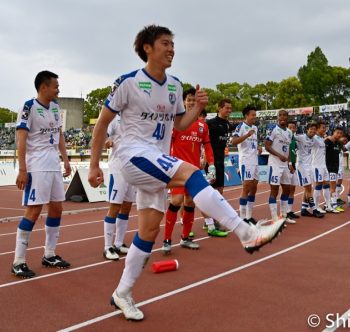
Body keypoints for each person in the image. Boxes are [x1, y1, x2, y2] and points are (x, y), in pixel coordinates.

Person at [87, 25, 286, 321]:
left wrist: (199, 108)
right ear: (147, 48)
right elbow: (102, 124)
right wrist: (93, 164)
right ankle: (247, 233)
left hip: (157, 158)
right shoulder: (128, 83)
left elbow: (180, 124)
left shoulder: (175, 86)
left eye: (173, 45)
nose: (171, 49)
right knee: (193, 175)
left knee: (148, 232)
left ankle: (122, 293)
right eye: (165, 44)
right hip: (133, 156)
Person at [12, 70, 71, 278]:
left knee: (57, 209)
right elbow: (21, 138)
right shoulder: (29, 107)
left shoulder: (55, 107)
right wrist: (22, 169)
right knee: (34, 211)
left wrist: (65, 159)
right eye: (55, 86)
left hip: (53, 165)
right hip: (36, 166)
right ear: (43, 87)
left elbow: (59, 134)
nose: (58, 89)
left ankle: (49, 254)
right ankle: (18, 261)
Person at [162, 88, 217, 254]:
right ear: (184, 102)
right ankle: (167, 240)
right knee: (176, 201)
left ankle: (185, 238)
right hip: (177, 170)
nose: (192, 102)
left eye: (194, 100)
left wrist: (211, 165)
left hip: (193, 171)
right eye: (189, 100)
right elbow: (166, 145)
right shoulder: (176, 123)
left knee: (190, 202)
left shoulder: (202, 126)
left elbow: (207, 146)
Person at [103, 113, 136, 260]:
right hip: (118, 168)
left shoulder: (135, 115)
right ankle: (107, 246)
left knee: (127, 206)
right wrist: (107, 139)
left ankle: (118, 243)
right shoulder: (113, 117)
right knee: (115, 207)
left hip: (132, 167)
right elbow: (103, 131)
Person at [204, 98, 235, 234]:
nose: (229, 110)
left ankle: (211, 219)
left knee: (220, 191)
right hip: (211, 162)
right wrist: (204, 158)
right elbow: (203, 140)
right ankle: (211, 222)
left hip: (221, 161)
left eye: (230, 108)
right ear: (219, 108)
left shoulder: (227, 124)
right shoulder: (210, 123)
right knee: (211, 193)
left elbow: (236, 130)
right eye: (226, 108)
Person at [231, 105, 261, 224]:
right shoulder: (241, 127)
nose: (254, 117)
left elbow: (253, 142)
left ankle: (249, 216)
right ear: (246, 115)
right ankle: (242, 218)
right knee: (246, 187)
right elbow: (233, 141)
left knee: (254, 188)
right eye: (252, 115)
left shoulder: (255, 127)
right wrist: (247, 135)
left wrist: (258, 147)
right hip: (246, 161)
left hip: (255, 161)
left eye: (255, 115)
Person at [265, 110, 294, 223]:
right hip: (275, 164)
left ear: (287, 117)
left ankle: (284, 215)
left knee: (287, 190)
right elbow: (267, 146)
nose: (282, 117)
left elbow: (288, 150)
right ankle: (274, 218)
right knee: (274, 191)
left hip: (285, 165)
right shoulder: (273, 129)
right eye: (280, 115)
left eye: (284, 115)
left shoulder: (289, 132)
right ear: (277, 117)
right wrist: (279, 155)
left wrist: (290, 163)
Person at [294, 122, 324, 218]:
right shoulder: (300, 137)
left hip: (309, 166)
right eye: (311, 129)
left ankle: (303, 209)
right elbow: (290, 139)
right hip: (301, 166)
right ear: (307, 130)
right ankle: (314, 210)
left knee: (308, 188)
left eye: (314, 129)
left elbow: (322, 145)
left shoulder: (315, 139)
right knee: (308, 189)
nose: (313, 131)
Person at [311, 121, 332, 214]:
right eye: (322, 127)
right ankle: (316, 206)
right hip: (316, 166)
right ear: (317, 129)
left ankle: (328, 205)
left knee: (327, 184)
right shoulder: (314, 138)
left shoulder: (322, 139)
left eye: (325, 127)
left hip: (323, 166)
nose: (324, 129)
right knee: (318, 185)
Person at [324, 127, 345, 212]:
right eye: (337, 132)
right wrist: (326, 138)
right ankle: (333, 205)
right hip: (328, 167)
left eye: (341, 133)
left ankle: (328, 204)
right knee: (332, 186)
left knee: (332, 186)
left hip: (335, 167)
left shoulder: (339, 143)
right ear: (333, 132)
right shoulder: (327, 141)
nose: (339, 134)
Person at [286, 121, 300, 219]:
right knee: (286, 190)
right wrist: (289, 163)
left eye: (293, 128)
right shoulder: (285, 139)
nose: (292, 129)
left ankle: (289, 211)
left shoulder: (296, 141)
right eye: (290, 127)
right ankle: (284, 212)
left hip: (294, 166)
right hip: (286, 166)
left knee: (292, 189)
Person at [335, 135, 349, 206]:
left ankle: (337, 197)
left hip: (341, 166)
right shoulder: (335, 144)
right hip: (335, 166)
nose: (345, 141)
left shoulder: (341, 147)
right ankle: (334, 198)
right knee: (334, 182)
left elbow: (345, 149)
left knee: (339, 182)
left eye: (346, 141)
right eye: (344, 140)